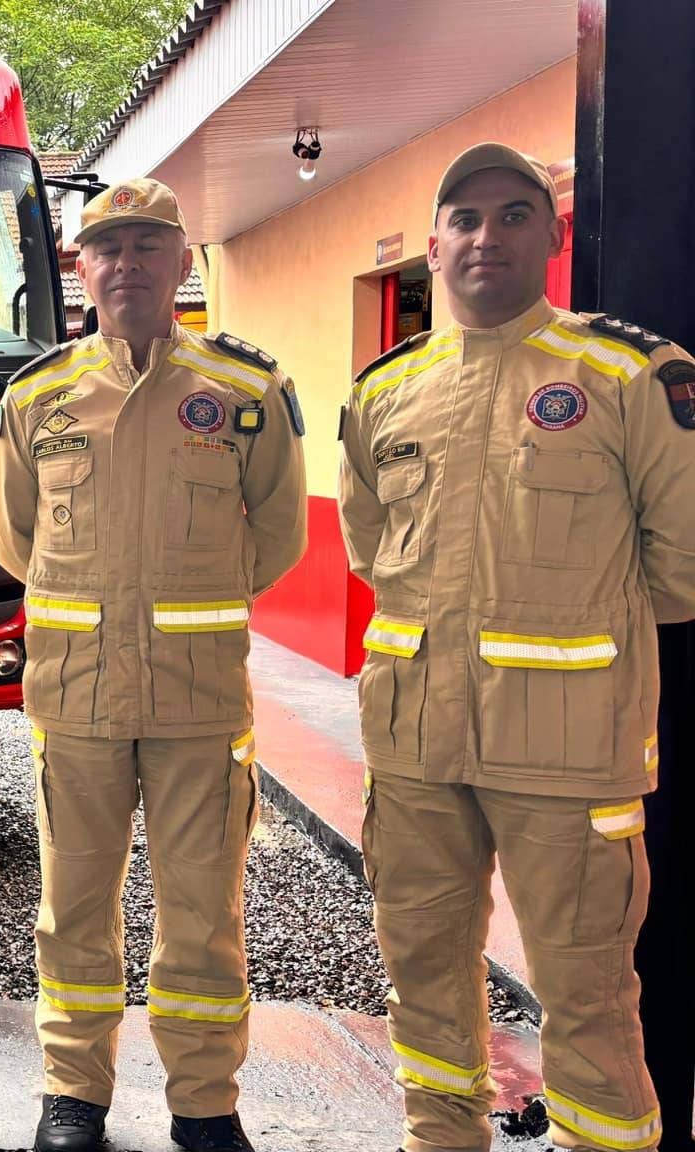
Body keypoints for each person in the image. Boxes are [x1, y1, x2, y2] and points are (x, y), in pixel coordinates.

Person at [340, 142, 695, 1152]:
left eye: (507, 215)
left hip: (568, 750)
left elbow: (679, 569)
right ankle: (437, 1136)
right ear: (431, 247)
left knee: (584, 988)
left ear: (551, 235)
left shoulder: (629, 375)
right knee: (419, 965)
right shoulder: (382, 391)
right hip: (413, 745)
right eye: (461, 218)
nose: (482, 236)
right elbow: (374, 553)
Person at [0, 179, 307, 1152]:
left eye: (147, 246)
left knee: (203, 913)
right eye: (106, 247)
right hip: (75, 698)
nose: (126, 264)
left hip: (197, 700)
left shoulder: (243, 391)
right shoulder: (34, 395)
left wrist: (182, 605)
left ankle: (202, 1103)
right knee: (72, 909)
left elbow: (278, 537)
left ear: (181, 264)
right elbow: (14, 541)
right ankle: (71, 1095)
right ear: (80, 268)